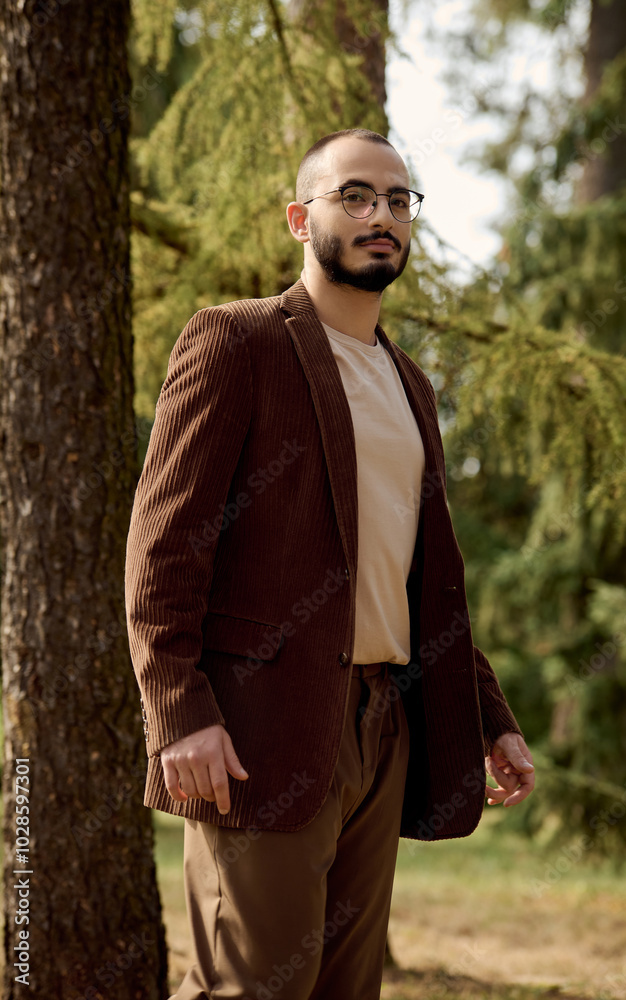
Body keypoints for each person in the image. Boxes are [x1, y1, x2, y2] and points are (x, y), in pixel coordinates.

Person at [125, 127, 535, 1000]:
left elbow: (419, 577)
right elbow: (165, 544)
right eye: (353, 195)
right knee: (252, 987)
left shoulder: (411, 384)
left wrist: (488, 713)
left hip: (383, 723)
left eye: (396, 199)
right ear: (298, 219)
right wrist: (178, 710)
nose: (379, 215)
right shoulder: (236, 343)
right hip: (259, 731)